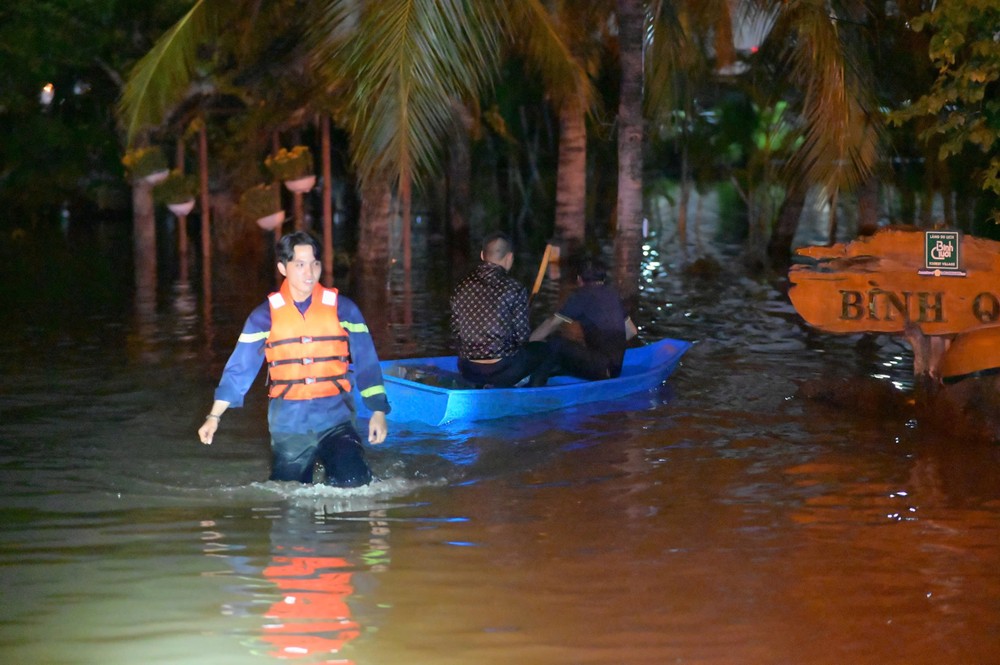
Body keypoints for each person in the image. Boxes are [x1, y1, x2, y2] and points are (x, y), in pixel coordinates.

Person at [197, 231, 389, 487]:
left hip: (336, 419)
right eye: (299, 265)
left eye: (314, 264)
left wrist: (378, 410)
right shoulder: (263, 316)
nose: (309, 273)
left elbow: (367, 361)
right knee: (289, 493)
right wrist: (214, 417)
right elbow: (239, 370)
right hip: (289, 425)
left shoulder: (344, 309)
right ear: (282, 268)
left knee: (355, 482)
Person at [450, 231, 549, 387]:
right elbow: (522, 338)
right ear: (509, 257)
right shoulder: (514, 288)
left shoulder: (461, 287)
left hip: (468, 369)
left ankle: (483, 386)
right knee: (547, 350)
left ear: (482, 255)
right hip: (502, 370)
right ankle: (532, 392)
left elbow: (456, 332)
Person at [529, 256, 638, 381]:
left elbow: (551, 323)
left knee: (556, 342)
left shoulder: (581, 295)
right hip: (615, 369)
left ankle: (534, 384)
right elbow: (632, 331)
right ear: (603, 279)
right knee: (571, 350)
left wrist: (529, 342)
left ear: (579, 279)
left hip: (601, 369)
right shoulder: (613, 295)